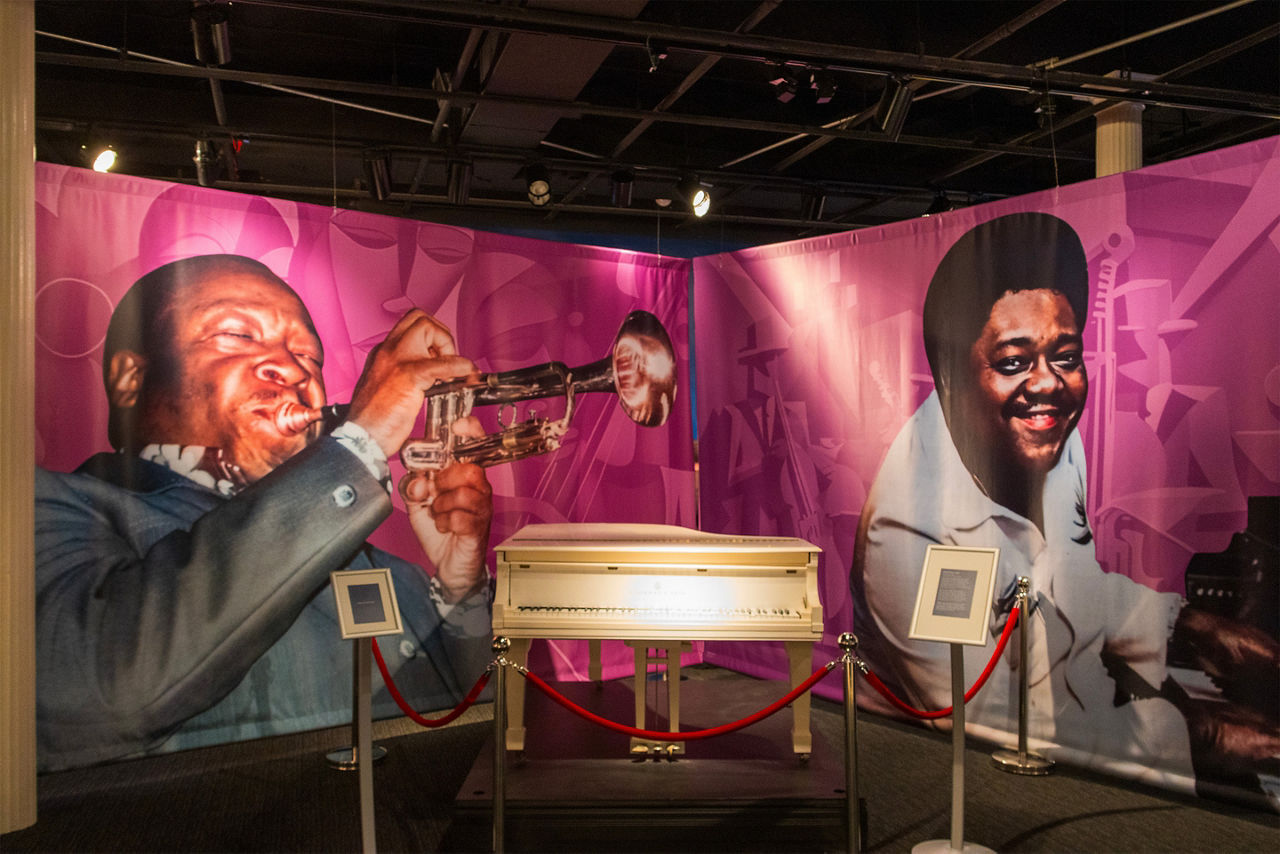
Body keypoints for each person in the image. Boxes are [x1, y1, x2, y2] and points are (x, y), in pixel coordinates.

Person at [851, 213, 1279, 789]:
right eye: (1013, 362)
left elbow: (1066, 582)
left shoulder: (1044, 433)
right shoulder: (907, 528)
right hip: (980, 770)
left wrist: (1185, 623)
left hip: (1082, 705)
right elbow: (982, 717)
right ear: (950, 377)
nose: (1049, 382)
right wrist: (1199, 732)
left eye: (1065, 356)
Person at [35, 254, 494, 771]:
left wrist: (461, 588)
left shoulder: (385, 568)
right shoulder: (50, 507)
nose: (293, 369)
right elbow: (93, 697)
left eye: (308, 356)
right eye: (236, 335)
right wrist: (360, 441)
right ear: (130, 380)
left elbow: (480, 715)